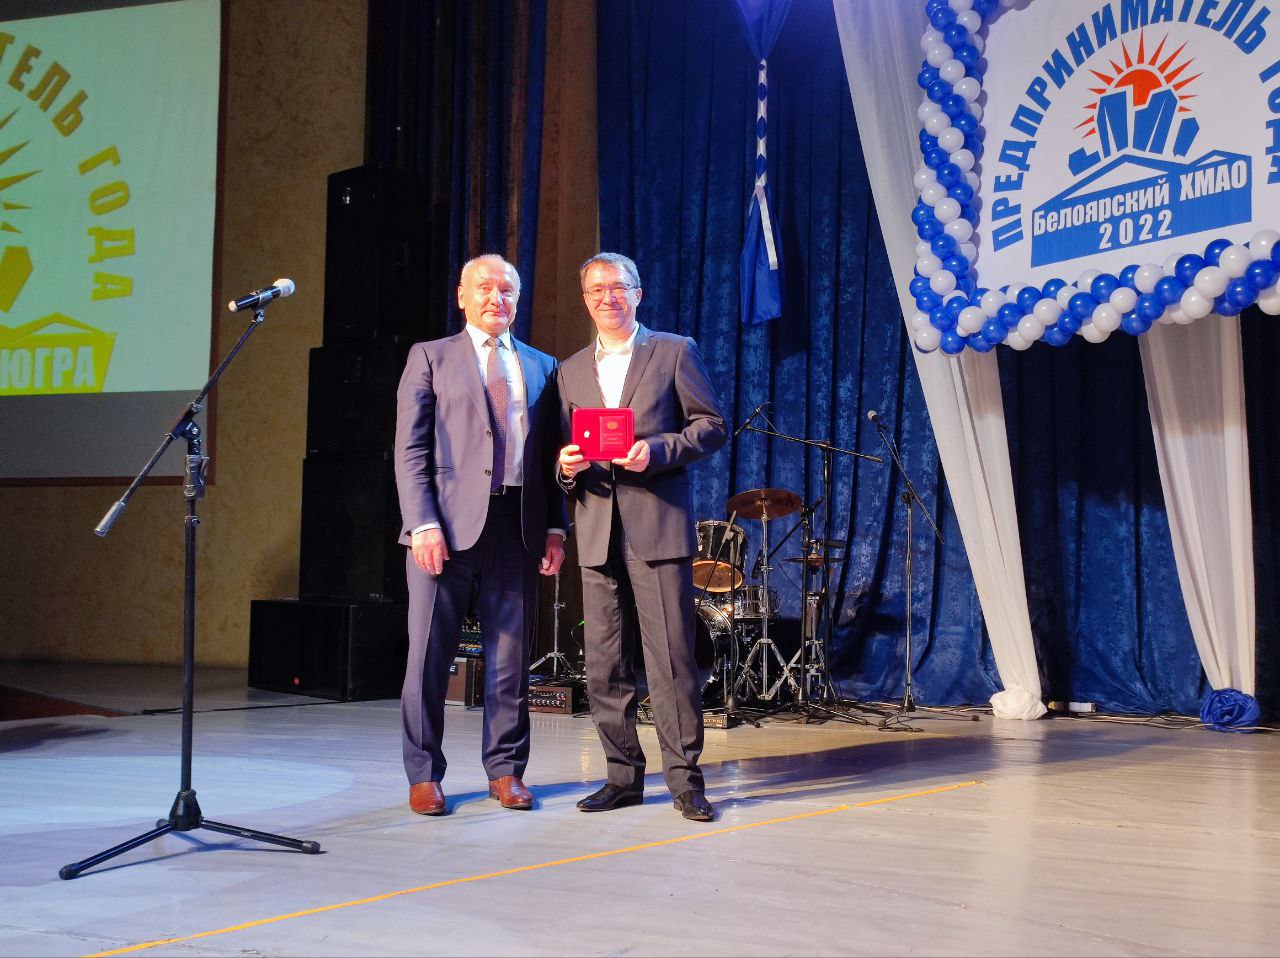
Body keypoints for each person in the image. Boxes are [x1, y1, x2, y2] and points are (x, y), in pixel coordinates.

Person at [556, 252, 727, 822]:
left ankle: (685, 782)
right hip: (596, 529)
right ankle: (622, 777)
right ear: (585, 300)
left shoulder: (674, 351)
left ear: (638, 293)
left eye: (618, 287)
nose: (607, 297)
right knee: (604, 664)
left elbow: (712, 426)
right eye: (596, 290)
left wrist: (656, 450)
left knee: (672, 661)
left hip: (656, 526)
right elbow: (561, 451)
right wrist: (566, 467)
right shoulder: (570, 370)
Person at [394, 254, 566, 816]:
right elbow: (410, 449)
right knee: (428, 655)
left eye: (507, 289)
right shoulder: (430, 357)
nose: (497, 298)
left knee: (510, 659)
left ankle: (506, 770)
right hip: (441, 527)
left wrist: (555, 527)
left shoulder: (543, 366)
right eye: (485, 287)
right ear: (461, 296)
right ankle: (424, 774)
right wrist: (422, 522)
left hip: (517, 525)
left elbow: (550, 456)